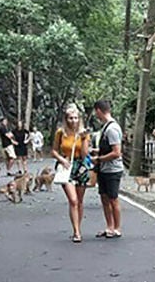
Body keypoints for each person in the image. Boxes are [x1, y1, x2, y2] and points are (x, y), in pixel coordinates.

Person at [51, 105, 91, 243]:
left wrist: (85, 138)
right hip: (66, 166)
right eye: (70, 118)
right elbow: (54, 150)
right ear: (66, 119)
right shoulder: (61, 132)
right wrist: (62, 159)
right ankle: (76, 232)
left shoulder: (84, 133)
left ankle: (78, 227)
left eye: (75, 118)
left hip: (80, 166)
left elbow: (85, 154)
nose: (73, 121)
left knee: (79, 201)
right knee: (73, 200)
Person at [91, 99, 124, 239]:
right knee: (104, 198)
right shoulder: (105, 127)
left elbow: (116, 152)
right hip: (103, 169)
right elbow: (107, 148)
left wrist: (99, 159)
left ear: (99, 110)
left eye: (95, 111)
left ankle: (117, 228)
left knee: (113, 199)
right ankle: (109, 226)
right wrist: (95, 151)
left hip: (112, 170)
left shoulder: (112, 129)